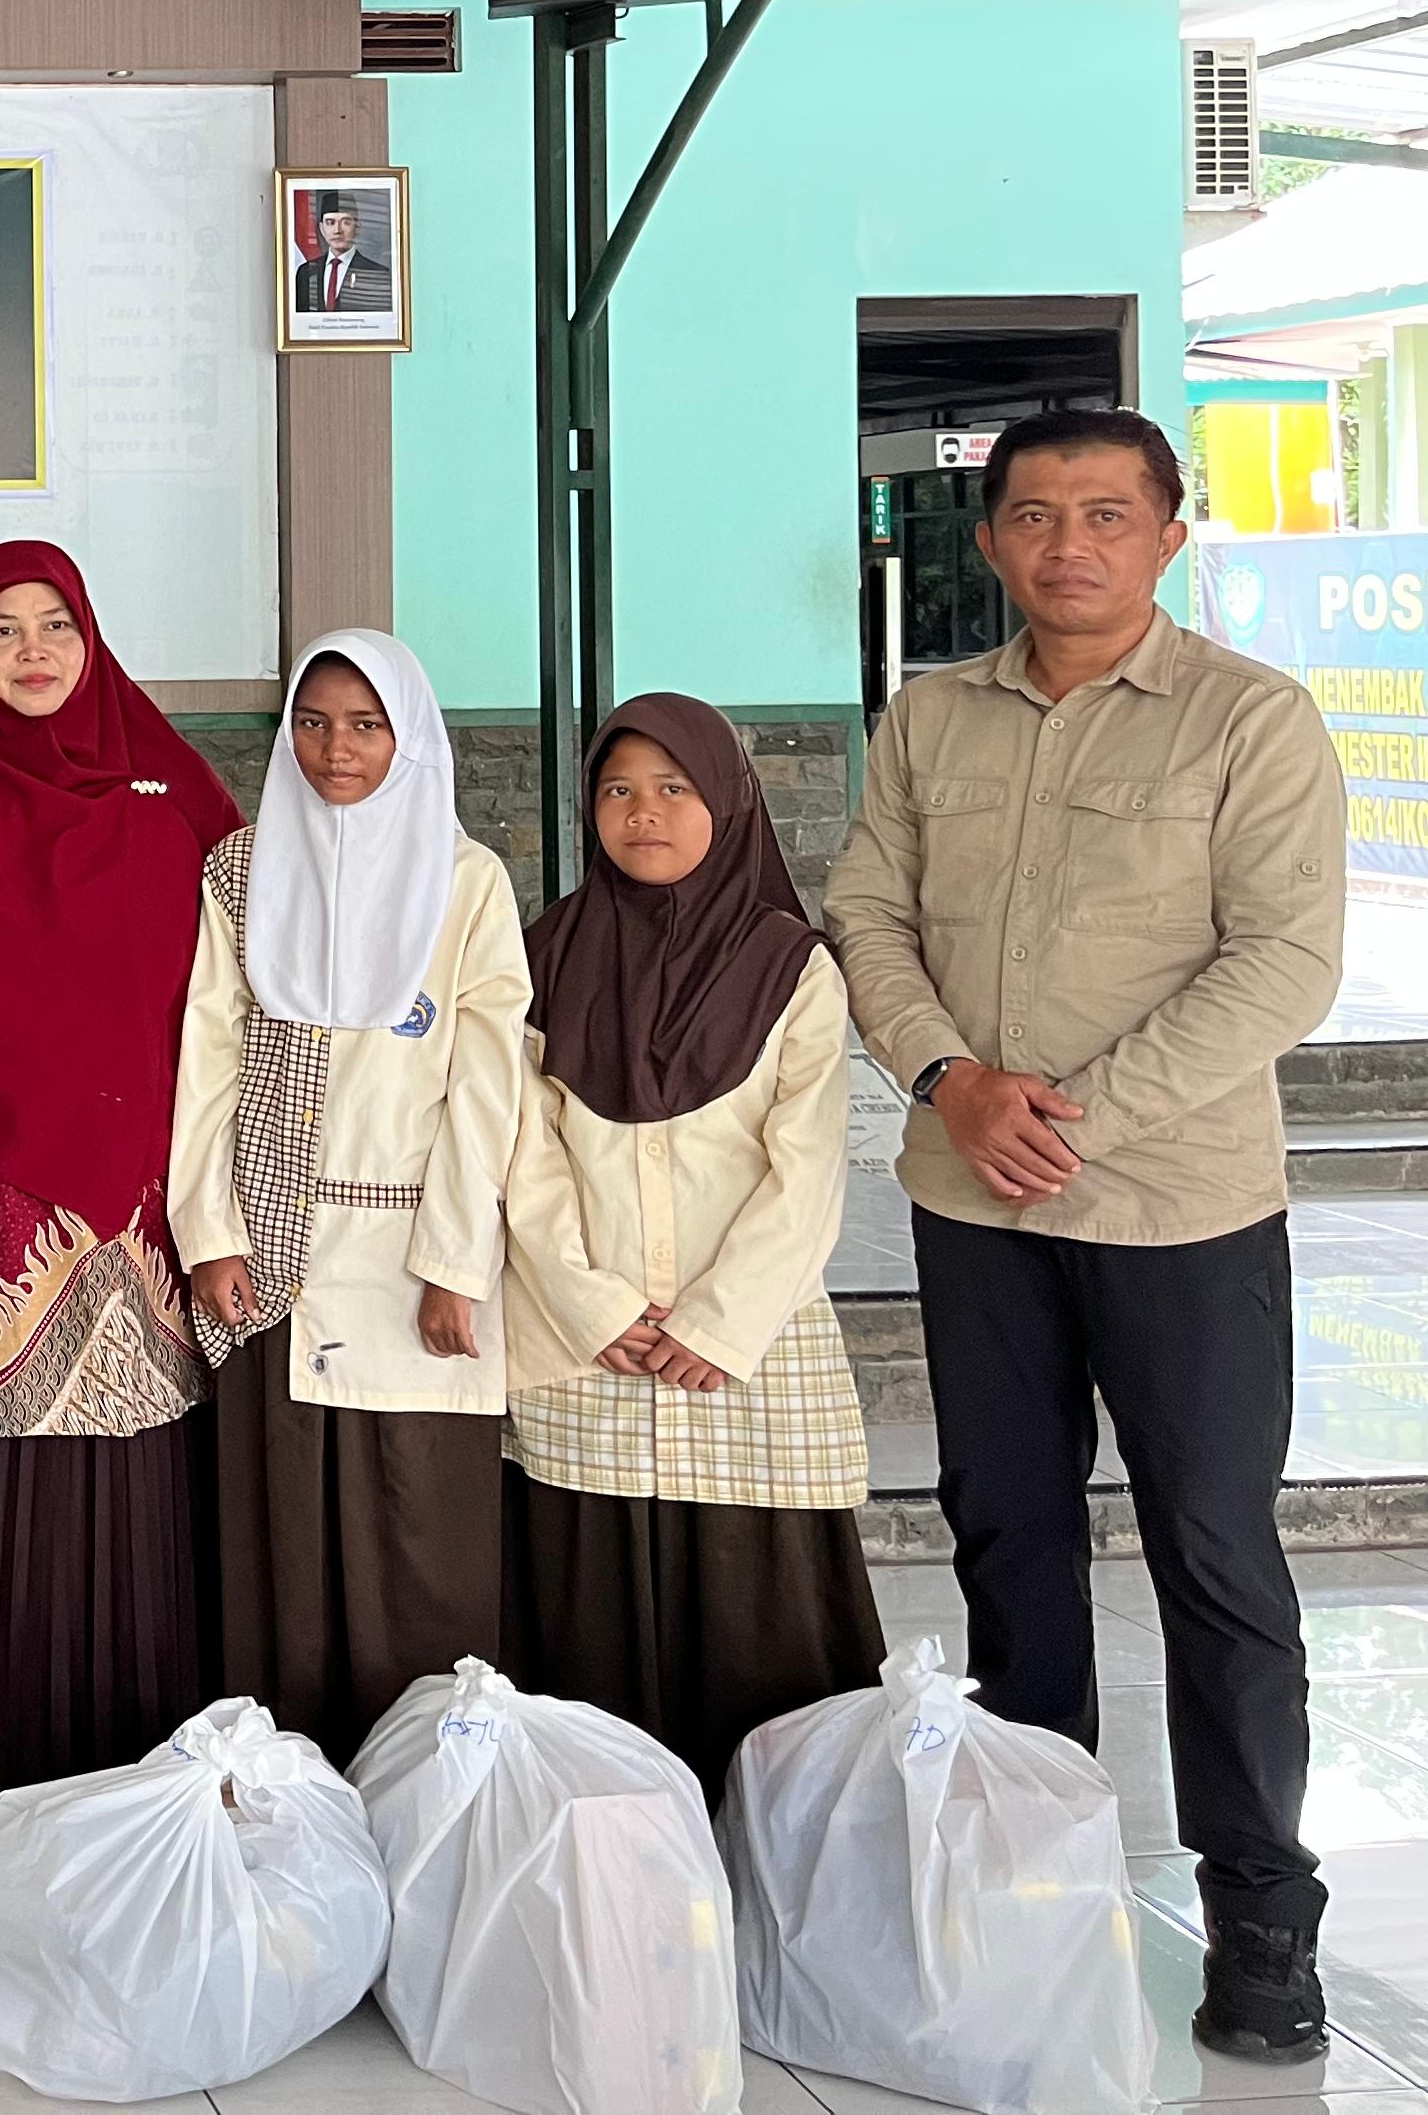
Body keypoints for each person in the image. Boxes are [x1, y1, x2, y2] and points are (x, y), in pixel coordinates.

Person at [826, 407, 1348, 2062]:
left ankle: (1261, 1910)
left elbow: (1280, 959)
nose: (1068, 543)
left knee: (1213, 1551)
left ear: (1167, 538)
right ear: (986, 540)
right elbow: (863, 911)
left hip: (1178, 1209)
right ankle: (1033, 1884)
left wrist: (1072, 1112)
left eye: (1105, 513)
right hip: (974, 1201)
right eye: (1034, 513)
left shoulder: (1247, 720)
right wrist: (945, 1078)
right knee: (1009, 1538)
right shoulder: (928, 716)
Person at [0, 543, 241, 1807]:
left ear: (92, 639)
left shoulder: (171, 789)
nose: (33, 654)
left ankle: (137, 1748)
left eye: (56, 627)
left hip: (145, 1191)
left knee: (132, 1476)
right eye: (2, 630)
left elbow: (239, 995)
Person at [500, 694, 881, 1802]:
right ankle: (615, 1866)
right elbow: (522, 1155)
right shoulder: (548, 953)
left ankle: (773, 1859)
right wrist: (592, 1303)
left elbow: (806, 1164)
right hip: (592, 1348)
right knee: (590, 1607)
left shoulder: (792, 966)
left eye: (674, 788)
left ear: (728, 801)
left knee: (759, 1614)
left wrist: (719, 1320)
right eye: (618, 790)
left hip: (748, 1348)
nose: (644, 814)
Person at [170, 629, 527, 1760]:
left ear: (409, 734)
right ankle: (287, 1774)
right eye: (313, 723)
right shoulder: (242, 866)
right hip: (271, 1252)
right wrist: (209, 1234)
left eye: (366, 724)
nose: (336, 748)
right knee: (283, 1528)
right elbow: (205, 1056)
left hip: (413, 1250)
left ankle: (423, 1774)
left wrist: (455, 1264)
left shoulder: (464, 880)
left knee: (416, 1524)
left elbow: (489, 1086)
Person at [292, 198, 389, 320]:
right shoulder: (306, 272)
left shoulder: (376, 274)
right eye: (330, 222)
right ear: (321, 228)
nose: (337, 230)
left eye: (345, 222)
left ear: (357, 227)